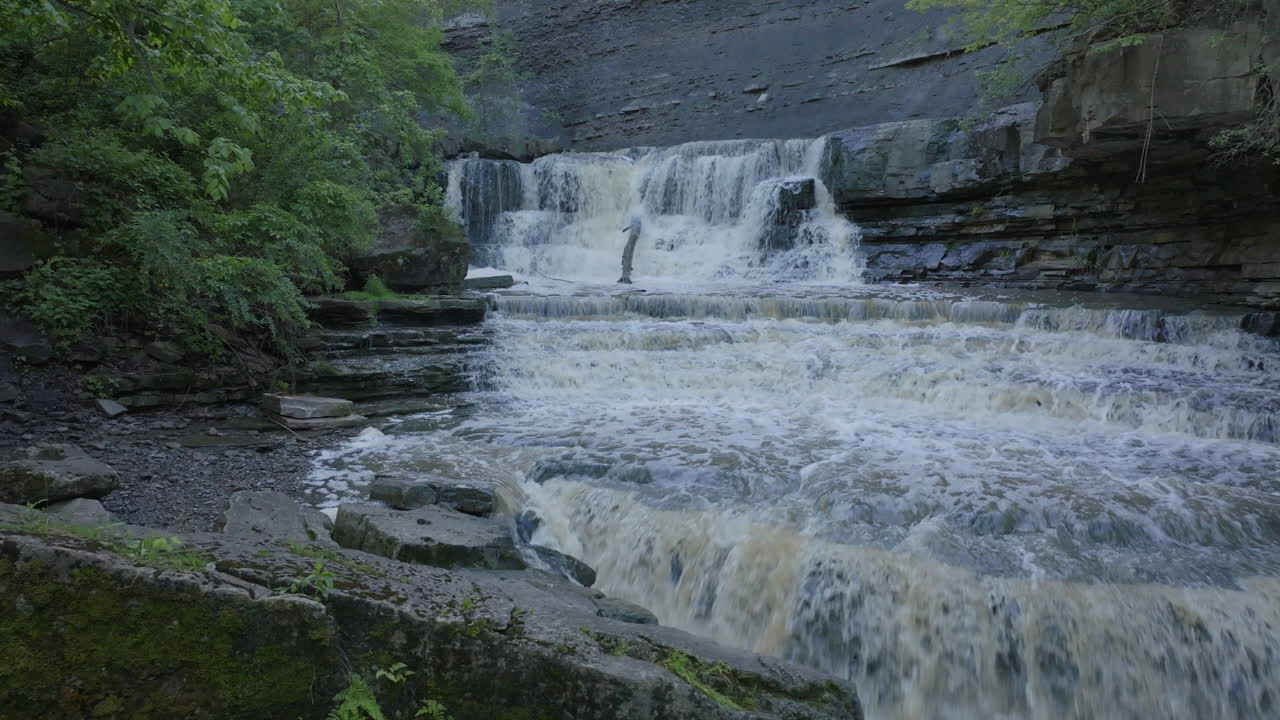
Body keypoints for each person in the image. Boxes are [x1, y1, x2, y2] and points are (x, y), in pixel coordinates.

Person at [618, 215, 642, 284]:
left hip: (634, 236)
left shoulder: (637, 219)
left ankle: (626, 276)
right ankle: (623, 276)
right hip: (633, 236)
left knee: (628, 253)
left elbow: (634, 226)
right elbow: (632, 226)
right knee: (626, 251)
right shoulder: (636, 219)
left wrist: (626, 229)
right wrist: (626, 228)